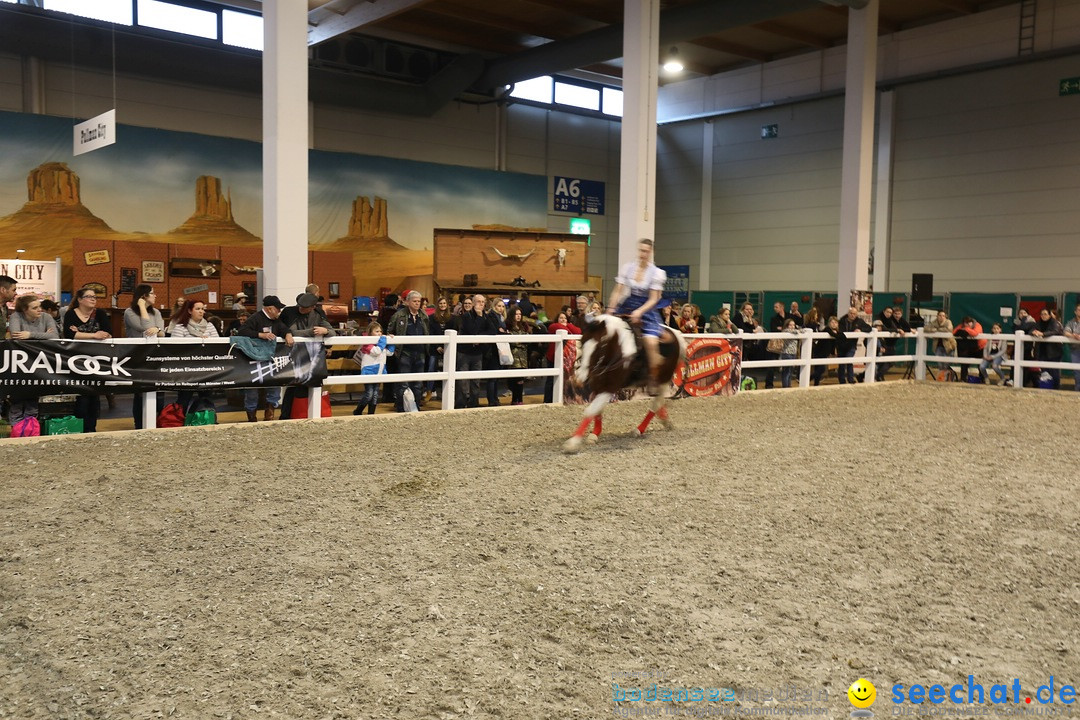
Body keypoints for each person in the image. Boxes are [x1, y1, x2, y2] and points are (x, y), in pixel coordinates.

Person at [605, 238, 667, 394]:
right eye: (640, 250)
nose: (642, 254)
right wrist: (611, 308)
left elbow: (654, 298)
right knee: (607, 331)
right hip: (628, 303)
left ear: (650, 252)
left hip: (647, 307)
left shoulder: (656, 273)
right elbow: (618, 290)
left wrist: (639, 311)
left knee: (651, 342)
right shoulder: (628, 268)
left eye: (646, 251)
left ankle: (654, 377)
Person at [234, 296, 294, 422]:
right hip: (253, 360)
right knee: (252, 389)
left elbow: (284, 329)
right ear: (270, 309)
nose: (279, 311)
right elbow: (242, 332)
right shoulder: (255, 318)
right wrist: (260, 335)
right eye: (278, 309)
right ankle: (252, 417)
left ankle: (269, 414)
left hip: (269, 359)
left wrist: (288, 334)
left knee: (274, 386)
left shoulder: (276, 321)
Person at [62, 287, 112, 432]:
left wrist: (80, 333)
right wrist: (94, 335)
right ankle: (78, 428)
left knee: (94, 396)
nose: (93, 299)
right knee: (81, 396)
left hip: (97, 359)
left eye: (95, 297)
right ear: (79, 299)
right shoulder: (71, 314)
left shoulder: (100, 314)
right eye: (89, 296)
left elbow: (108, 333)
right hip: (76, 360)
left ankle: (91, 429)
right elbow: (69, 335)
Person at [7, 294, 59, 425]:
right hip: (19, 363)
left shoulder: (46, 317)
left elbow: (54, 336)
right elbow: (15, 335)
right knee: (17, 398)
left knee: (33, 397)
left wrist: (30, 334)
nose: (39, 310)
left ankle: (31, 428)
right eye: (35, 308)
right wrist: (44, 335)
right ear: (25, 310)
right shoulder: (16, 316)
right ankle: (17, 429)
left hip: (39, 361)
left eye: (39, 306)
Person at [167, 299, 220, 416]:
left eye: (202, 309)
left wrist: (209, 341)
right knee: (184, 398)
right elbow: (174, 347)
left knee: (207, 397)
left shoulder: (209, 326)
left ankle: (209, 419)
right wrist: (198, 341)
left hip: (206, 368)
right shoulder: (180, 327)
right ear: (190, 311)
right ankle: (179, 421)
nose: (201, 312)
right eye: (198, 309)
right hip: (187, 369)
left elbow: (218, 343)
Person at [385, 290, 429, 412]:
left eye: (419, 301)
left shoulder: (424, 316)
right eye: (414, 301)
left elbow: (427, 332)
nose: (417, 304)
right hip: (405, 352)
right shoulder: (399, 315)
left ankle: (416, 406)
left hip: (420, 352)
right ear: (408, 302)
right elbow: (390, 330)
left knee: (418, 383)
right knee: (403, 383)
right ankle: (401, 407)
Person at [456, 294, 501, 408]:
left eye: (483, 302)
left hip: (477, 353)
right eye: (478, 302)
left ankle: (474, 404)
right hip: (464, 352)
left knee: (476, 381)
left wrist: (479, 338)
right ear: (473, 303)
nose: (481, 304)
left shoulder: (486, 316)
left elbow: (492, 331)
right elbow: (472, 331)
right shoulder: (467, 316)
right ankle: (461, 404)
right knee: (463, 381)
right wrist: (479, 318)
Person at [352, 322, 394, 415]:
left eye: (380, 331)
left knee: (375, 394)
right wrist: (384, 339)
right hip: (369, 371)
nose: (379, 333)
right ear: (370, 333)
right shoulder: (367, 344)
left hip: (379, 371)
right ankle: (358, 411)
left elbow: (389, 353)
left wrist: (390, 341)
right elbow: (377, 351)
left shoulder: (380, 344)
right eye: (376, 331)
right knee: (369, 394)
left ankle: (371, 413)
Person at [544, 311, 581, 403]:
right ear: (557, 319)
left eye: (565, 318)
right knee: (551, 380)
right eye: (561, 318)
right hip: (553, 357)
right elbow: (557, 327)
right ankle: (548, 400)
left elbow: (578, 331)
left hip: (566, 359)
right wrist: (568, 329)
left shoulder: (567, 326)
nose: (563, 319)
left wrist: (568, 325)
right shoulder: (553, 326)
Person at [505, 305, 533, 405]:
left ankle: (520, 400)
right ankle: (514, 399)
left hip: (523, 358)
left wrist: (519, 340)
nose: (518, 316)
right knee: (513, 380)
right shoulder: (507, 325)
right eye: (516, 314)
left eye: (520, 314)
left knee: (521, 380)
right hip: (512, 357)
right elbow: (511, 341)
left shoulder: (524, 326)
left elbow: (528, 339)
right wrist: (520, 341)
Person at [836, 305, 871, 385]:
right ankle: (842, 380)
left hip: (852, 345)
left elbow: (869, 328)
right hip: (841, 345)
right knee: (841, 363)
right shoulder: (842, 321)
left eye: (854, 314)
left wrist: (860, 329)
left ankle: (851, 379)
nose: (852, 315)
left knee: (849, 360)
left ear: (856, 314)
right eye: (851, 313)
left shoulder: (859, 321)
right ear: (848, 313)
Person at [426, 297, 452, 402]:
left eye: (444, 303)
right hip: (434, 348)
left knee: (448, 370)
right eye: (440, 303)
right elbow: (430, 332)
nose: (442, 305)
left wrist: (445, 346)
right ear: (438, 305)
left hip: (448, 347)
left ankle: (447, 393)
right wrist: (437, 346)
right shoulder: (431, 318)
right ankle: (429, 391)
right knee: (431, 369)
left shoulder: (452, 317)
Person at [1032, 308, 1064, 389]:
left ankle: (1056, 388)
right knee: (1044, 372)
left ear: (1050, 315)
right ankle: (1046, 387)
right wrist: (1033, 332)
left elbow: (1055, 331)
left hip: (1054, 352)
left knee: (1054, 372)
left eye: (1045, 314)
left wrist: (1043, 334)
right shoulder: (1038, 323)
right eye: (1042, 314)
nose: (1043, 316)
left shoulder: (1055, 323)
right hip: (1041, 351)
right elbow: (1031, 330)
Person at [924, 309, 957, 378]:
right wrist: (933, 330)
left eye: (943, 316)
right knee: (940, 364)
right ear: (937, 316)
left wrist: (937, 329)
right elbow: (926, 328)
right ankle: (943, 378)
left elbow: (949, 329)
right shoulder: (934, 322)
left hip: (949, 346)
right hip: (938, 346)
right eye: (940, 315)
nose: (941, 317)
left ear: (945, 317)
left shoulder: (948, 322)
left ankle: (949, 376)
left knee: (946, 364)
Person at [764, 301, 788, 389]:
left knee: (787, 365)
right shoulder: (773, 318)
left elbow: (795, 325)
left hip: (787, 344)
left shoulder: (789, 316)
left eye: (776, 307)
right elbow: (774, 329)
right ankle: (769, 384)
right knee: (772, 365)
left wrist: (781, 328)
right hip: (775, 344)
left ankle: (786, 384)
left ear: (782, 307)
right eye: (774, 307)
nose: (775, 309)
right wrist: (784, 328)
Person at [811, 316, 839, 386]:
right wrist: (837, 334)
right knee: (821, 369)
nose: (834, 324)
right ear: (829, 323)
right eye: (832, 322)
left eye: (835, 322)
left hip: (825, 353)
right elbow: (833, 335)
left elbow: (834, 344)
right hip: (819, 351)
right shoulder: (827, 329)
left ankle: (816, 384)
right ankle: (808, 378)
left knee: (818, 370)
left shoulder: (836, 332)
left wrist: (832, 353)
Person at [779, 317, 800, 388]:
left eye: (793, 325)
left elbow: (801, 331)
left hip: (793, 353)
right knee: (786, 371)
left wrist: (798, 329)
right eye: (790, 325)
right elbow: (795, 331)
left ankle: (789, 385)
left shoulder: (794, 332)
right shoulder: (785, 331)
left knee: (790, 371)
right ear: (787, 325)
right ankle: (785, 386)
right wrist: (798, 330)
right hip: (786, 353)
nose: (792, 327)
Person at [1064, 303, 1080, 391]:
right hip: (1075, 350)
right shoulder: (1071, 322)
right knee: (1077, 371)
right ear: (1075, 311)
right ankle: (1078, 390)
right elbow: (1066, 332)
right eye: (1079, 310)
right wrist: (1074, 336)